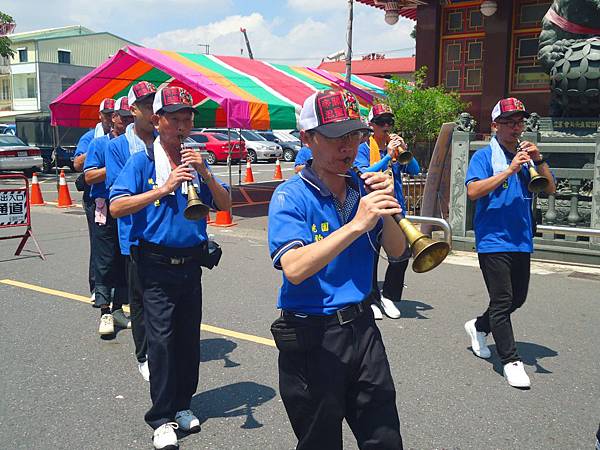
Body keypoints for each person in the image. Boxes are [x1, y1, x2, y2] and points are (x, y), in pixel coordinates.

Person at [268, 89, 407, 449]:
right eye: (334, 137)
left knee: (385, 437)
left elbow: (397, 250)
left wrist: (388, 212)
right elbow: (294, 268)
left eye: (353, 134)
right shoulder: (290, 195)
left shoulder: (362, 187)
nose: (347, 146)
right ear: (308, 139)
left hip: (363, 328)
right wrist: (357, 225)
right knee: (321, 441)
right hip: (313, 335)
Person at [110, 86, 231, 450]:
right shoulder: (143, 161)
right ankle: (160, 418)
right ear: (157, 120)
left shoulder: (197, 159)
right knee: (161, 342)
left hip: (191, 264)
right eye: (174, 118)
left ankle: (182, 404)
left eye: (187, 118)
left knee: (186, 338)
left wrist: (207, 175)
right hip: (155, 263)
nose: (182, 125)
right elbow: (117, 207)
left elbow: (226, 205)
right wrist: (163, 189)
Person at [464, 97, 555, 389]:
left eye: (520, 122)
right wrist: (508, 170)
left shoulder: (527, 155)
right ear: (495, 126)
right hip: (493, 239)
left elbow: (550, 187)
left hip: (521, 238)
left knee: (517, 299)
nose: (517, 128)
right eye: (509, 122)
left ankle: (479, 326)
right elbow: (473, 191)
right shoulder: (483, 156)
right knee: (502, 300)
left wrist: (538, 159)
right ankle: (511, 361)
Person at [106, 82, 158, 381]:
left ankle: (161, 347)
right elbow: (119, 191)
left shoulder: (163, 140)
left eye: (155, 104)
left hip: (162, 232)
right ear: (134, 109)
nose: (152, 111)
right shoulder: (117, 147)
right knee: (139, 299)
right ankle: (144, 354)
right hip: (133, 233)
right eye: (146, 105)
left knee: (161, 298)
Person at [355, 104, 420, 320]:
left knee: (401, 255)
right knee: (370, 256)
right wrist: (387, 157)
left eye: (389, 122)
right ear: (371, 125)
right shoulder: (364, 148)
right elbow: (364, 174)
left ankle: (389, 295)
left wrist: (403, 149)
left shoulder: (397, 150)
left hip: (394, 209)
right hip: (373, 208)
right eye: (381, 122)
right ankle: (371, 298)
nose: (386, 126)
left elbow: (415, 170)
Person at [84, 97, 134, 336]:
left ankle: (117, 309)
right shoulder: (99, 144)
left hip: (127, 208)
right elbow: (89, 176)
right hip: (104, 206)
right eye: (122, 117)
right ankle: (104, 311)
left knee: (125, 259)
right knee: (104, 259)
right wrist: (113, 167)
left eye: (130, 118)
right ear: (113, 118)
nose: (126, 121)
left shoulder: (135, 144)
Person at [73, 98, 114, 303]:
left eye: (112, 114)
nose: (110, 118)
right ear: (100, 116)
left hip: (116, 196)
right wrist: (99, 149)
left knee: (115, 244)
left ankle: (115, 288)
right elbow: (77, 164)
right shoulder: (92, 138)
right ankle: (97, 288)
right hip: (95, 198)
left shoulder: (123, 137)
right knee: (99, 244)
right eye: (106, 114)